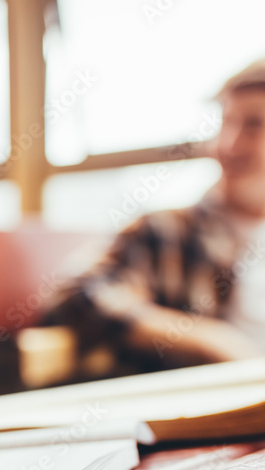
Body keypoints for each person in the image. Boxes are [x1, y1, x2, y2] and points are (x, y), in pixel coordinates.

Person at [44, 59, 265, 376]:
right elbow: (75, 296)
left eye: (254, 125)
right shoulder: (166, 231)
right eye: (226, 124)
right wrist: (210, 340)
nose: (228, 145)